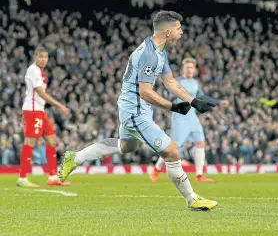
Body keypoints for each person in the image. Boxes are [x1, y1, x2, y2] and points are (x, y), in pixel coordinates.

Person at [57, 11, 218, 211]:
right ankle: (192, 198)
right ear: (167, 31)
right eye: (179, 28)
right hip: (135, 111)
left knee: (126, 146)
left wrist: (192, 101)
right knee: (172, 151)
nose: (182, 32)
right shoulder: (149, 55)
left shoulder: (160, 52)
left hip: (133, 107)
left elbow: (170, 81)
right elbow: (145, 92)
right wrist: (172, 106)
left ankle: (76, 157)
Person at [150, 57, 229, 183]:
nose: (190, 70)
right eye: (187, 67)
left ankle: (199, 175)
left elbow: (202, 97)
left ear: (195, 69)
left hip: (192, 117)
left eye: (192, 67)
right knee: (173, 147)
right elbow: (170, 97)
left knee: (200, 143)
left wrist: (218, 102)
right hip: (180, 118)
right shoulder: (177, 82)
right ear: (183, 68)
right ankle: (156, 169)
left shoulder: (195, 83)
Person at [18, 46, 71, 187]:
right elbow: (40, 93)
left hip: (38, 110)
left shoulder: (40, 71)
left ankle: (53, 176)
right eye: (41, 57)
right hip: (34, 111)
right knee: (30, 142)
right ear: (35, 57)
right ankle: (22, 178)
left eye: (45, 57)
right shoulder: (33, 70)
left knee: (51, 138)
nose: (43, 59)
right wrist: (60, 105)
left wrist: (24, 111)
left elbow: (29, 93)